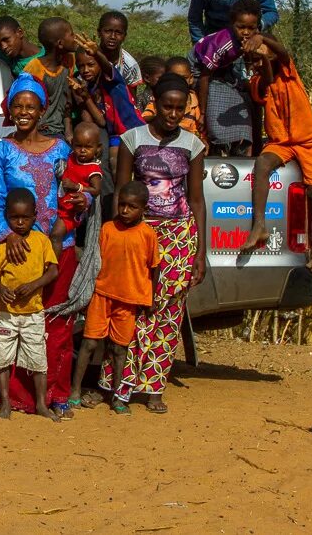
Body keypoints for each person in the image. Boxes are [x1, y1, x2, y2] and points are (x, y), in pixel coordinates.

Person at [98, 73, 207, 414]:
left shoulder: (192, 145)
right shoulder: (133, 139)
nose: (173, 114)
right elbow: (121, 191)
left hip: (179, 234)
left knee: (169, 313)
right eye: (167, 107)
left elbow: (197, 200)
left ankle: (154, 386)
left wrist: (200, 253)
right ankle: (118, 383)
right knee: (132, 307)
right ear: (154, 105)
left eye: (179, 108)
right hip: (140, 233)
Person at [0, 74, 80, 419]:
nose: (23, 112)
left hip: (58, 247)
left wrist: (74, 212)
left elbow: (73, 195)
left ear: (41, 110)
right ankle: (15, 398)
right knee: (13, 322)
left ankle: (57, 394)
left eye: (30, 106)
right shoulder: (2, 151)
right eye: (17, 106)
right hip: (15, 251)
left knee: (56, 323)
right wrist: (8, 237)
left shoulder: (62, 150)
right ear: (9, 110)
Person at [237, 26, 312, 274]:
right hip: (281, 142)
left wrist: (262, 40)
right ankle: (259, 225)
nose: (255, 64)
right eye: (251, 60)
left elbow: (283, 53)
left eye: (259, 57)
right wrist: (262, 56)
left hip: (307, 141)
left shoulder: (289, 73)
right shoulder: (258, 82)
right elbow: (265, 78)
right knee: (262, 164)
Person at [70, 181, 158, 415]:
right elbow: (93, 261)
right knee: (89, 343)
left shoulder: (148, 235)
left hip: (128, 300)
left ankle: (118, 397)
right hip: (102, 295)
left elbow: (153, 268)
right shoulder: (107, 229)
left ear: (143, 209)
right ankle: (75, 391)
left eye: (132, 207)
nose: (125, 211)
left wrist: (151, 299)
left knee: (119, 350)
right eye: (122, 205)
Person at [0, 188, 60, 421]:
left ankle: (40, 404)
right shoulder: (0, 246)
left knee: (38, 358)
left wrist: (34, 285)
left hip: (33, 312)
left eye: (25, 217)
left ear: (35, 215)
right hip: (4, 311)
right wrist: (1, 289)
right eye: (14, 217)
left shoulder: (41, 241)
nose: (20, 223)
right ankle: (5, 404)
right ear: (6, 216)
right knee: (1, 358)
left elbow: (53, 270)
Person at [191, 0, 256, 156]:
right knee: (215, 116)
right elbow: (205, 77)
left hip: (223, 71)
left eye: (251, 28)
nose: (246, 32)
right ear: (232, 24)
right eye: (241, 27)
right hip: (201, 70)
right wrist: (203, 113)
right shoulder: (222, 45)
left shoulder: (251, 39)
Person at [23, 17, 77, 140]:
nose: (75, 38)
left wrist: (69, 132)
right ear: (60, 44)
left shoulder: (69, 61)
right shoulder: (33, 69)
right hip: (42, 130)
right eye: (71, 34)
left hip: (62, 129)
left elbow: (67, 102)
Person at [51, 121, 104, 241]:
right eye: (79, 146)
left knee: (55, 235)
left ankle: (53, 260)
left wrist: (77, 187)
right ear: (73, 144)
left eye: (88, 147)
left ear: (98, 148)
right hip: (60, 205)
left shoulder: (93, 169)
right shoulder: (71, 157)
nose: (83, 150)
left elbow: (96, 190)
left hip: (71, 211)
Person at [142, 57, 204, 141]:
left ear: (191, 78)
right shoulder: (159, 99)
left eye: (184, 78)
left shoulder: (196, 101)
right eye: (174, 77)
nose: (179, 81)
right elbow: (144, 118)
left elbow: (199, 129)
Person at [97, 11, 143, 91]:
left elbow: (131, 100)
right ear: (99, 33)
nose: (113, 36)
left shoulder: (130, 65)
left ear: (124, 36)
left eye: (118, 33)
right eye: (108, 31)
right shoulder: (87, 56)